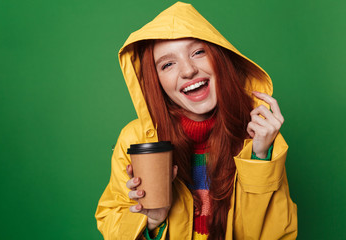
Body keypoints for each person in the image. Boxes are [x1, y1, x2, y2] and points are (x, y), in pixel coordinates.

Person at [95, 2, 297, 240]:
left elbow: (276, 233)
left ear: (219, 58)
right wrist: (151, 222)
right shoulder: (135, 140)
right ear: (156, 80)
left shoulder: (259, 136)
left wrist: (260, 159)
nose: (188, 70)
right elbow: (111, 221)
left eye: (198, 52)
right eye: (168, 64)